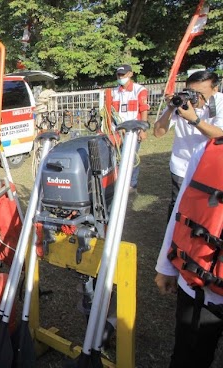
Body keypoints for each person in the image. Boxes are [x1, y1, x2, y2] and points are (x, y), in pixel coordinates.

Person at [155, 140, 223, 368]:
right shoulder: (206, 150)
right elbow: (182, 207)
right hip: (199, 289)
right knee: (189, 358)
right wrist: (166, 267)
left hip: (201, 286)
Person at [153, 70, 223, 220]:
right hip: (182, 166)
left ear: (215, 89)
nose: (195, 98)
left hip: (210, 167)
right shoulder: (181, 102)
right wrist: (171, 108)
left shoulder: (221, 102)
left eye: (200, 93)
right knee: (178, 207)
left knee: (206, 209)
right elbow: (158, 133)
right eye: (192, 92)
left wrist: (194, 119)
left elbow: (219, 134)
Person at [110, 64, 150, 193]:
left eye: (123, 74)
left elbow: (143, 109)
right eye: (119, 75)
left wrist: (142, 129)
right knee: (116, 157)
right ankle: (117, 181)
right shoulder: (114, 92)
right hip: (118, 130)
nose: (121, 77)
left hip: (133, 130)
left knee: (132, 157)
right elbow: (111, 111)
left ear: (130, 74)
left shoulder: (139, 90)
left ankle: (132, 184)